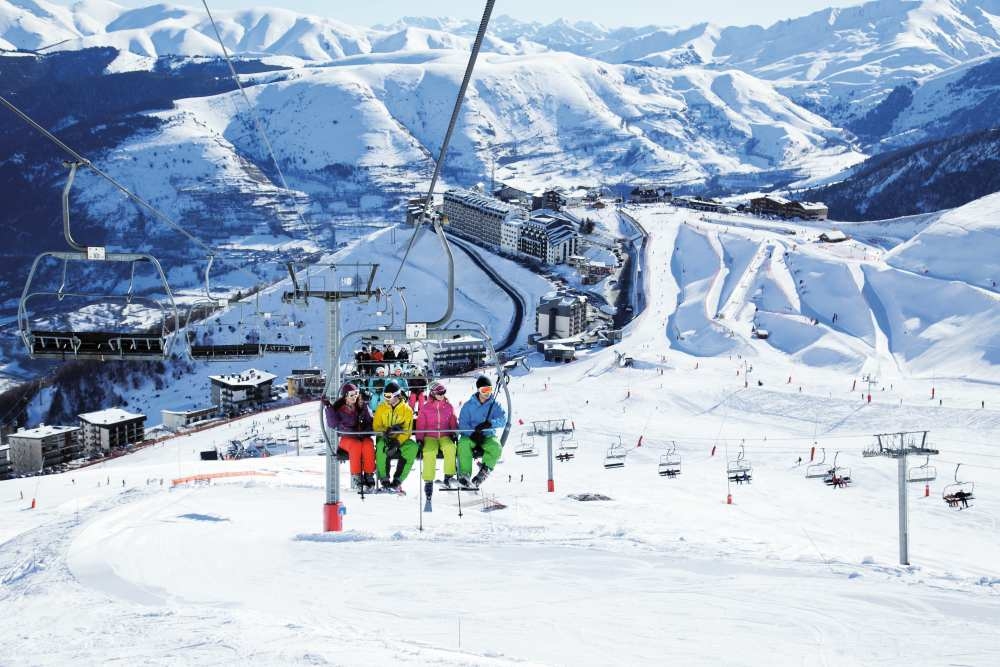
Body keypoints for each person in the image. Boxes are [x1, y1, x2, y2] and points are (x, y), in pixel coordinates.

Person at [324, 383, 376, 492]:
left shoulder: (361, 406)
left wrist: (365, 405)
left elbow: (370, 421)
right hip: (347, 439)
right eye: (352, 394)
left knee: (368, 444)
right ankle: (356, 476)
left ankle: (369, 474)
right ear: (345, 396)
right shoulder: (339, 409)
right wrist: (328, 407)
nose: (354, 397)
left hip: (361, 436)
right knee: (356, 446)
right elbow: (332, 424)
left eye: (356, 393)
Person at [457, 375, 507, 488]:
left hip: (488, 435)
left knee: (496, 447)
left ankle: (483, 472)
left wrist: (490, 423)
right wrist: (473, 434)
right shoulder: (468, 406)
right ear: (478, 390)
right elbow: (462, 424)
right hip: (472, 436)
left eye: (489, 390)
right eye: (484, 390)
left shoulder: (494, 405)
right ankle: (465, 475)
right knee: (463, 444)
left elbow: (503, 419)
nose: (487, 393)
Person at [415, 381, 458, 501]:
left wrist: (454, 433)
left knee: (450, 448)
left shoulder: (448, 406)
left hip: (444, 435)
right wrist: (419, 439)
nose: (442, 394)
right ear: (433, 393)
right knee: (429, 451)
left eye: (444, 392)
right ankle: (428, 481)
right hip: (430, 436)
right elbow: (420, 425)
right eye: (439, 392)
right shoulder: (425, 408)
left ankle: (448, 476)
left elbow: (452, 422)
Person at [372, 381, 418, 491]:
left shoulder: (407, 410)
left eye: (389, 396)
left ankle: (398, 480)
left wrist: (397, 442)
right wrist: (386, 431)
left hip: (400, 441)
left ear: (397, 395)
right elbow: (376, 426)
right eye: (385, 395)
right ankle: (384, 478)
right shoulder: (381, 408)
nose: (386, 399)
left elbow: (407, 431)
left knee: (412, 447)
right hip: (385, 438)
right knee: (381, 446)